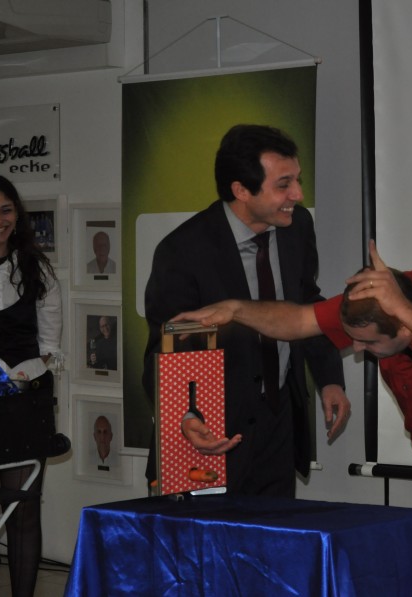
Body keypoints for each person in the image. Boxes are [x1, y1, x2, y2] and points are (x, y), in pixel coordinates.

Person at [173, 240, 412, 596]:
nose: (358, 349)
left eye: (370, 343)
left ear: (405, 327)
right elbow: (299, 320)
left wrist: (405, 311)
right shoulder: (375, 305)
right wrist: (235, 309)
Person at [143, 124, 351, 497]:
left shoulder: (297, 226)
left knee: (275, 531)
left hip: (279, 425)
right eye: (284, 184)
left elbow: (307, 302)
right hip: (210, 432)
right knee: (208, 536)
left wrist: (330, 377)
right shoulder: (183, 251)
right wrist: (185, 416)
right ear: (241, 190)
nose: (298, 195)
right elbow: (165, 348)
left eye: (298, 180)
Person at [0, 172, 62, 597]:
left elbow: (50, 348)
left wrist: (17, 376)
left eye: (5, 210)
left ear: (17, 213)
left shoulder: (37, 269)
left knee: (23, 512)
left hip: (25, 404)